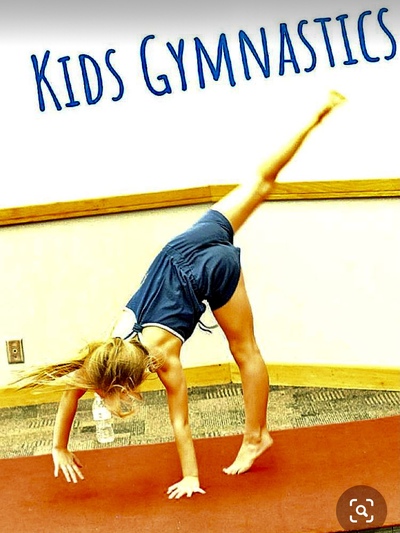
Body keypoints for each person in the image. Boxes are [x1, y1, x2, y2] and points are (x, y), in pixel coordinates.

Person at [14, 90, 346, 499]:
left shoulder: (164, 361)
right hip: (184, 245)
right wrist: (59, 445)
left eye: (113, 397)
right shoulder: (107, 349)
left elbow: (181, 424)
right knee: (259, 184)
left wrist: (191, 477)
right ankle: (316, 116)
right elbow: (73, 386)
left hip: (211, 270)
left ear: (127, 384)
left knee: (245, 350)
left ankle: (256, 436)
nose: (108, 401)